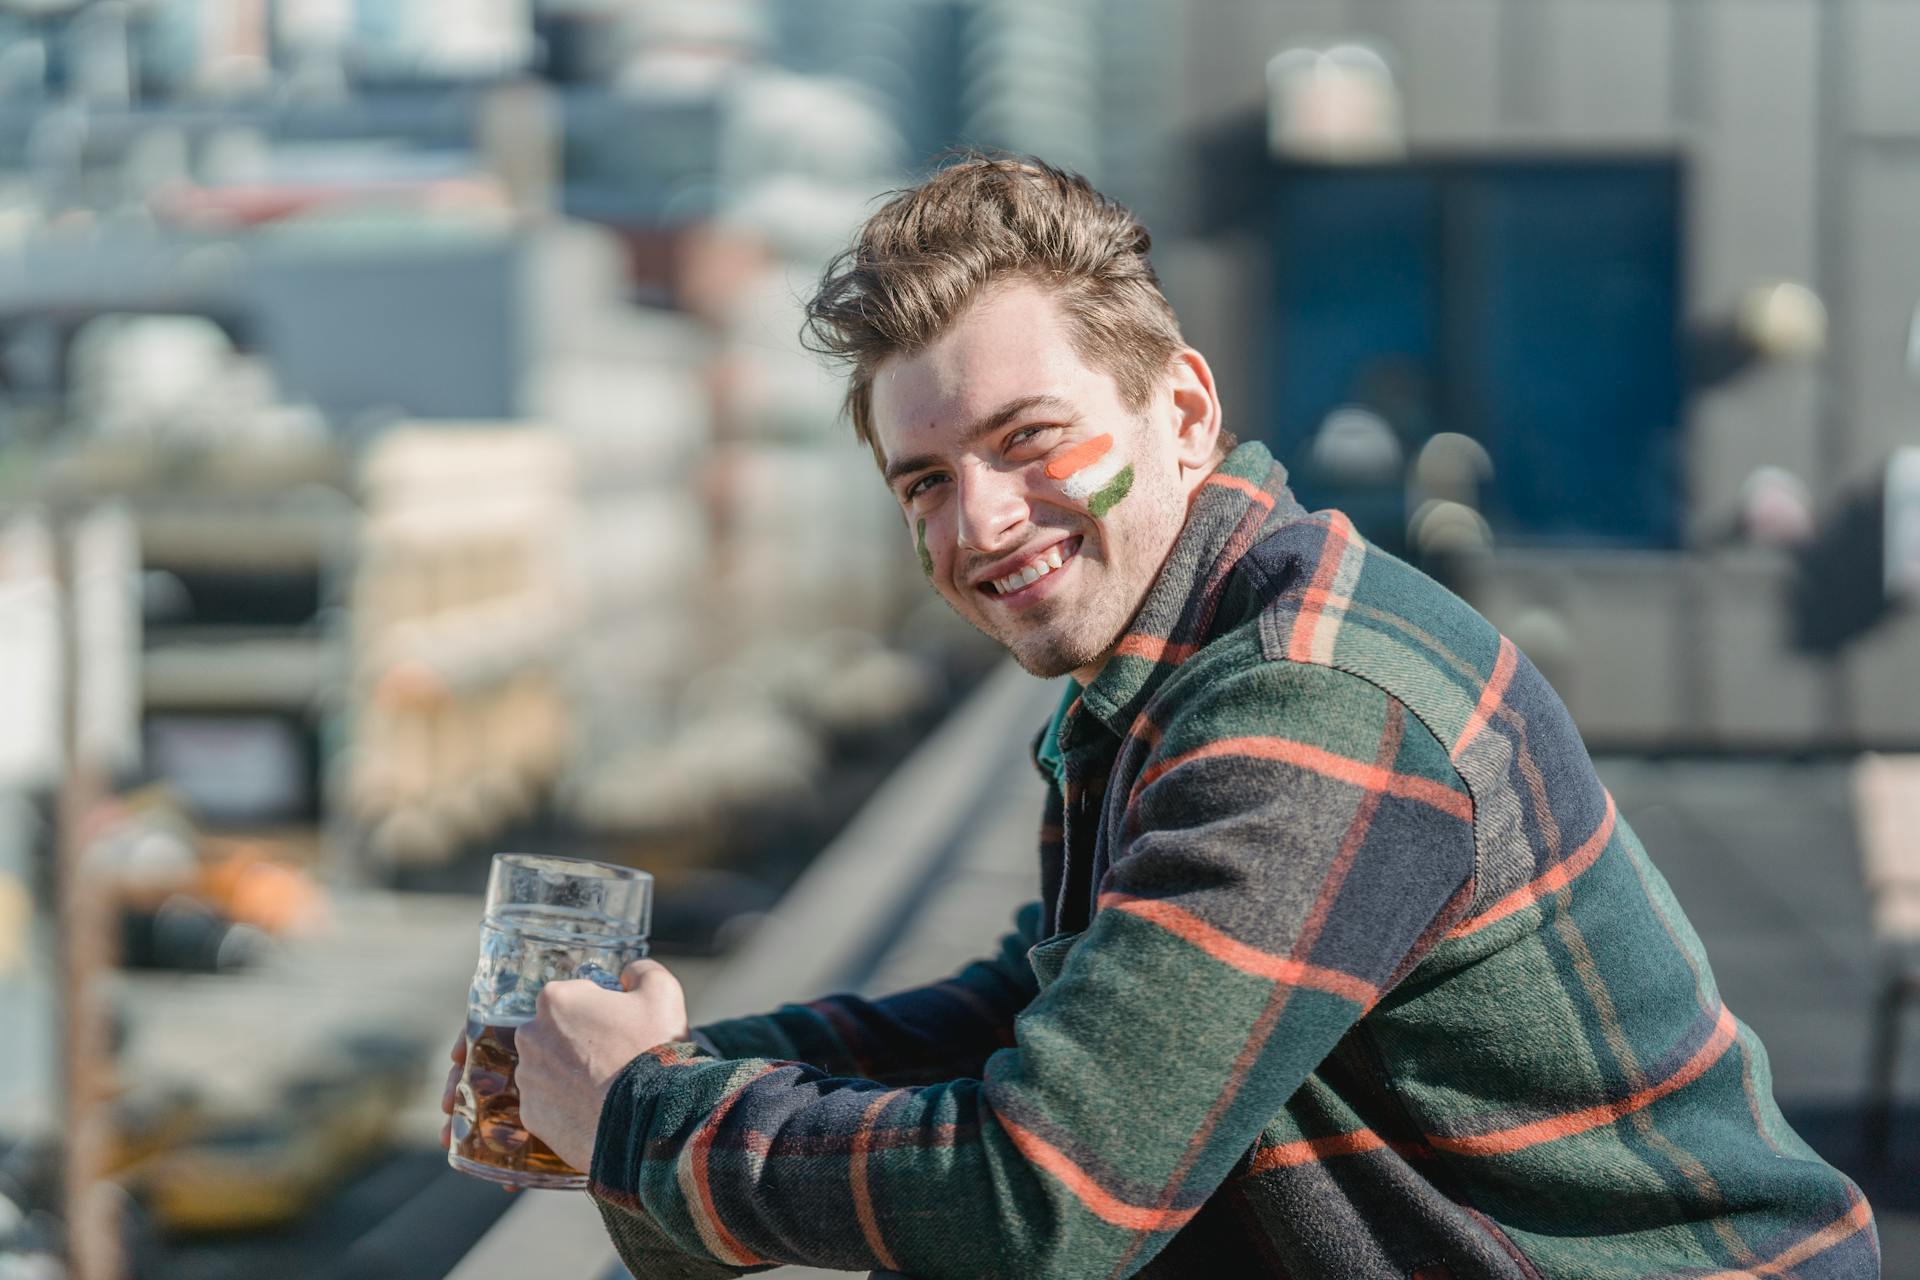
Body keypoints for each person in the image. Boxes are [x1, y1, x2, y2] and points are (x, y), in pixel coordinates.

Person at [441, 155, 1879, 1279]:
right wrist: (675, 1070)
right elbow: (1034, 1005)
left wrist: (644, 1121)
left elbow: (1049, 1200)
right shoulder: (1175, 659)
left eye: (1027, 442)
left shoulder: (1307, 709)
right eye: (926, 481)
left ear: (1181, 414)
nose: (983, 520)